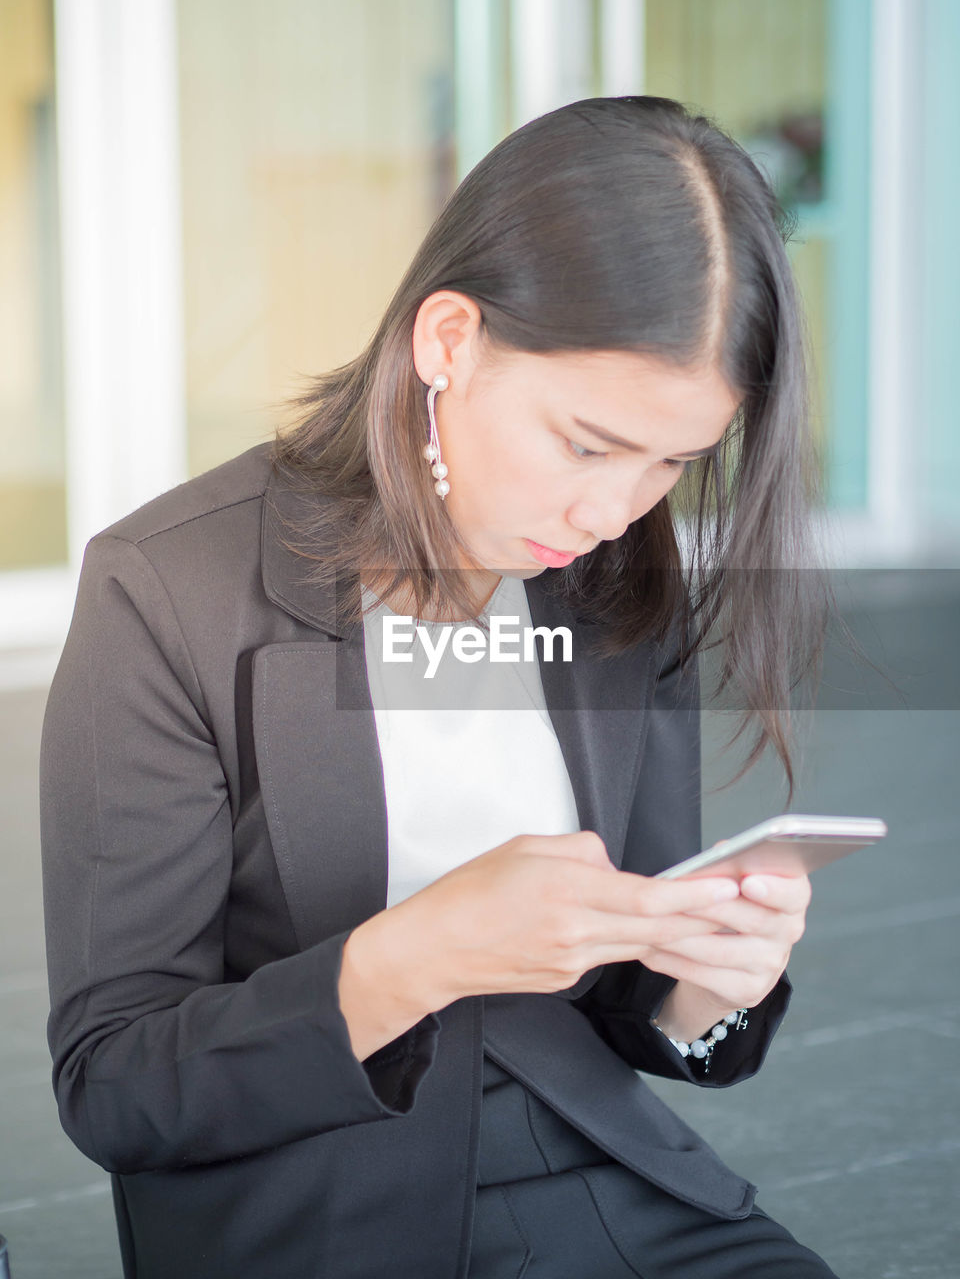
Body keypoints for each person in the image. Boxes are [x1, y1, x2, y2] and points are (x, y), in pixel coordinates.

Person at [40, 96, 837, 1278]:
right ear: (448, 340)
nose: (614, 510)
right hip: (312, 1209)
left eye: (672, 462)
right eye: (585, 442)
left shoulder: (613, 583)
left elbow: (634, 994)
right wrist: (418, 952)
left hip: (605, 1176)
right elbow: (115, 1083)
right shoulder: (168, 590)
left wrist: (705, 986)